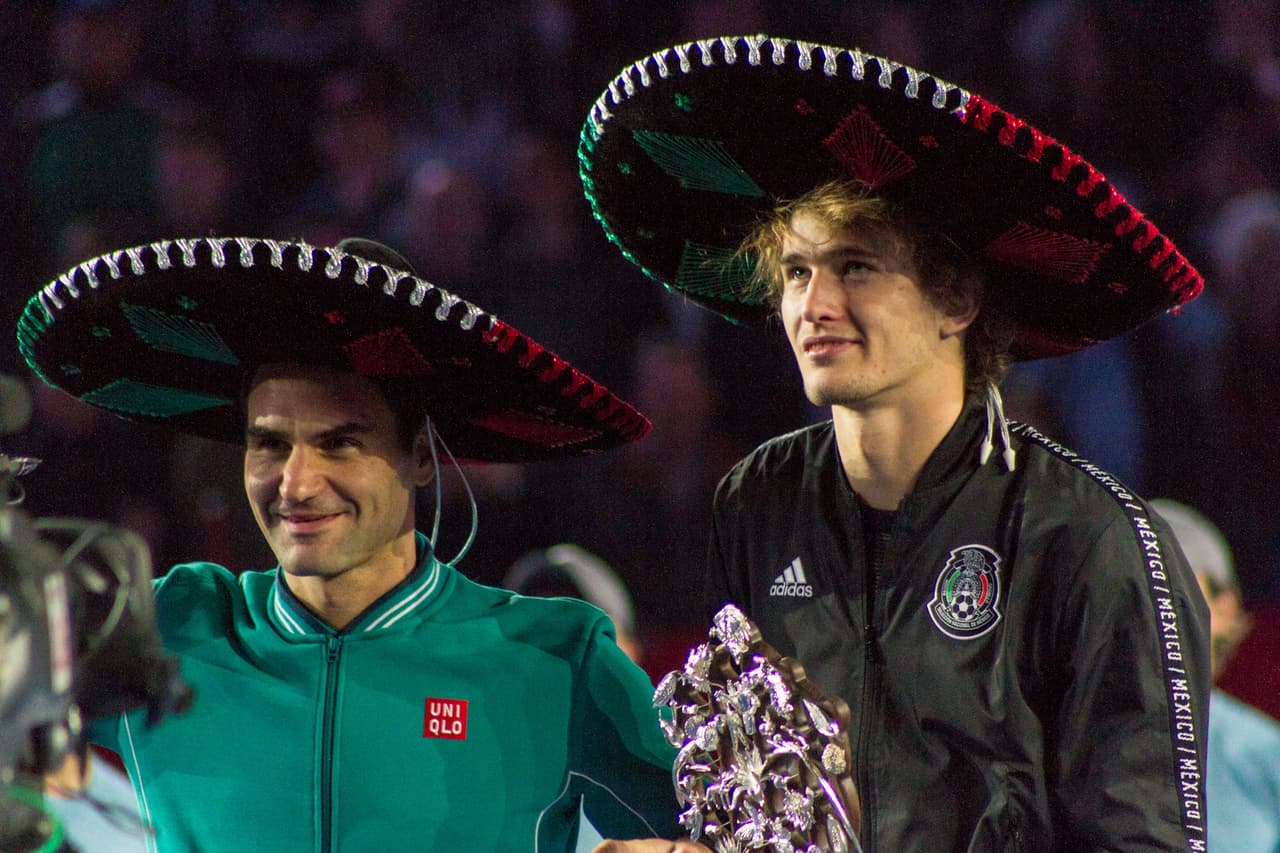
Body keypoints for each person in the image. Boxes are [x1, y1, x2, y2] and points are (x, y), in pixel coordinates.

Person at [578, 34, 1210, 851]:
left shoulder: (1091, 536)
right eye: (797, 271)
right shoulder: (757, 501)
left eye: (856, 267)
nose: (814, 304)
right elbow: (756, 801)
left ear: (957, 299)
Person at [16, 235, 679, 851]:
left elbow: (716, 828)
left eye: (339, 443)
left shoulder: (556, 660)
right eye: (270, 443)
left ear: (420, 456)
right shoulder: (162, 626)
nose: (296, 484)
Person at [1151, 498, 1280, 853]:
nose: (1150, 616)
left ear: (1224, 606)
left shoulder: (1261, 752)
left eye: (1168, 591)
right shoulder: (1068, 739)